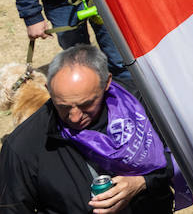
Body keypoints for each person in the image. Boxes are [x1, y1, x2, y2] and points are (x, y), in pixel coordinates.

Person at [0, 44, 181, 213]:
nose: (75, 117)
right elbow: (11, 208)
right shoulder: (22, 146)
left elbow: (183, 157)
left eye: (86, 104)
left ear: (106, 83)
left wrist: (142, 182)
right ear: (49, 89)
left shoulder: (139, 105)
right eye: (63, 106)